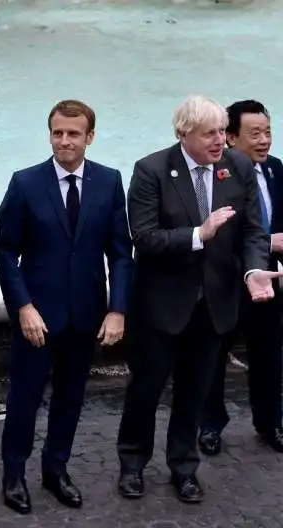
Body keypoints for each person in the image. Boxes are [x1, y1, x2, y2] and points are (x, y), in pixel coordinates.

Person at [116, 95, 282, 504]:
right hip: (161, 307)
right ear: (182, 134)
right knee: (146, 390)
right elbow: (144, 237)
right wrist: (197, 234)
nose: (219, 142)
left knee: (194, 392)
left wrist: (252, 270)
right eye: (209, 134)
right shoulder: (151, 170)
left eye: (222, 133)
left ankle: (184, 468)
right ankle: (133, 465)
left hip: (214, 305)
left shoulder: (238, 167)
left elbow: (253, 233)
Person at [0, 100, 133, 514]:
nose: (64, 141)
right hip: (36, 316)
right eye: (58, 132)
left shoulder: (109, 182)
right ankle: (13, 474)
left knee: (71, 398)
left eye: (73, 134)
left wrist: (117, 309)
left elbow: (121, 253)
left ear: (89, 137)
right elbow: (5, 252)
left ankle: (56, 469)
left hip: (86, 315)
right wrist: (22, 307)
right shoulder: (25, 183)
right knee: (24, 397)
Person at [199, 100, 283, 454]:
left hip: (270, 279)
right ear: (231, 137)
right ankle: (210, 425)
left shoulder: (276, 170)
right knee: (214, 357)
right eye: (255, 134)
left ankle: (270, 423)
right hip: (228, 279)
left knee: (269, 355)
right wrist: (266, 242)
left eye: (268, 132)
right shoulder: (217, 174)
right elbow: (217, 232)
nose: (264, 141)